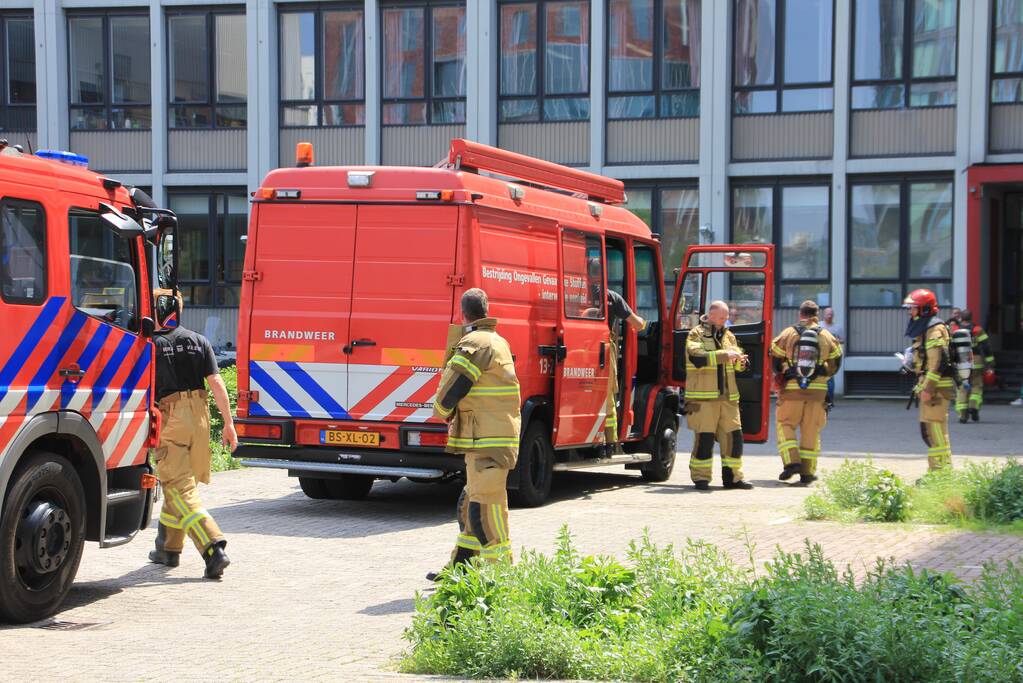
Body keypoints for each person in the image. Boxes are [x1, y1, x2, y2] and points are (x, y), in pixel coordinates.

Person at [429, 288, 521, 579]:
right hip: (492, 437)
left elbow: (455, 385)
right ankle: (462, 567)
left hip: (486, 439)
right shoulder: (497, 340)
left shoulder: (474, 342)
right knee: (473, 501)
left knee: (482, 508)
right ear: (486, 309)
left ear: (463, 312)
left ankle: (501, 572)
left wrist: (441, 411)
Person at [148, 294, 236, 579]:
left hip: (170, 417)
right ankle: (168, 548)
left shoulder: (152, 345)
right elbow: (216, 382)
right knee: (179, 483)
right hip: (198, 418)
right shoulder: (199, 341)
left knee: (178, 487)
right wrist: (228, 423)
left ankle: (212, 548)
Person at [770, 300, 843, 485]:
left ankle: (792, 462)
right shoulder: (827, 335)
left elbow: (774, 356)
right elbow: (836, 362)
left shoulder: (788, 333)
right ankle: (807, 472)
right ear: (817, 315)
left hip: (792, 392)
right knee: (811, 431)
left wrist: (786, 371)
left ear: (800, 314)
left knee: (785, 425)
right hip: (817, 394)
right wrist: (822, 374)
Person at [684, 300, 753, 491]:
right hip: (703, 399)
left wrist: (741, 361)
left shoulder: (728, 335)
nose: (726, 320)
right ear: (711, 315)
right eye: (722, 317)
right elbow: (696, 356)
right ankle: (701, 478)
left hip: (728, 399)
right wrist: (725, 355)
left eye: (727, 317)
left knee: (734, 438)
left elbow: (735, 362)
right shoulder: (696, 333)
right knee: (704, 439)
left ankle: (733, 478)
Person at [903, 289, 954, 471]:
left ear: (924, 309)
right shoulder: (926, 328)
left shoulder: (934, 329)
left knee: (936, 432)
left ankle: (941, 473)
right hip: (930, 387)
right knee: (929, 432)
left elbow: (937, 363)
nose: (910, 312)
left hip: (936, 390)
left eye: (913, 308)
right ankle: (937, 472)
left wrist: (927, 389)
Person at [604, 287, 646, 453]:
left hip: (577, 350)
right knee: (608, 398)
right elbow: (637, 323)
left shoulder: (576, 290)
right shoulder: (611, 297)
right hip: (603, 351)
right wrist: (644, 323)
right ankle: (609, 443)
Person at [950, 309, 994, 423]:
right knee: (976, 386)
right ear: (971, 318)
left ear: (961, 318)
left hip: (961, 361)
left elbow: (950, 347)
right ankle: (973, 407)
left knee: (962, 388)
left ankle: (963, 415)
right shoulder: (978, 330)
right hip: (976, 361)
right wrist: (990, 362)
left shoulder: (954, 330)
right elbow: (986, 347)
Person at [819, 307, 844, 407]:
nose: (830, 316)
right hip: (820, 355)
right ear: (824, 315)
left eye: (831, 314)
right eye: (828, 314)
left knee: (829, 379)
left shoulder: (837, 327)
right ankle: (820, 399)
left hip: (831, 357)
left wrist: (838, 341)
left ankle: (829, 400)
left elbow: (842, 340)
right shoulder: (819, 326)